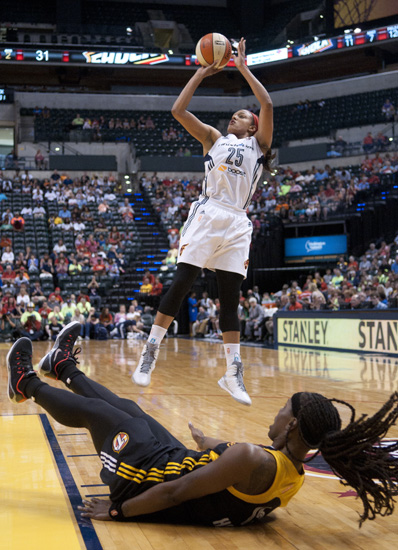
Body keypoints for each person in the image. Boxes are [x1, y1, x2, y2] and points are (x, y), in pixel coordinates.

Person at [6, 325, 398, 526]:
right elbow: (239, 488)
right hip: (173, 460)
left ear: (292, 424)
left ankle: (25, 383)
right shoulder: (293, 476)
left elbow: (180, 490)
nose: (275, 412)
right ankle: (62, 366)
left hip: (144, 479)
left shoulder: (251, 458)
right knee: (131, 409)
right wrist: (213, 446)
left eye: (281, 408)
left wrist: (118, 511)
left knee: (105, 416)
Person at [132, 38, 273, 406]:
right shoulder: (214, 138)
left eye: (242, 115)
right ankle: (150, 352)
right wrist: (201, 72)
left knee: (230, 301)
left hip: (238, 222)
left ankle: (232, 372)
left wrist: (242, 68)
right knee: (181, 283)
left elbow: (268, 103)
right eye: (234, 114)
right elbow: (178, 110)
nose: (235, 117)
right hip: (209, 212)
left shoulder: (259, 146)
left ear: (253, 125)